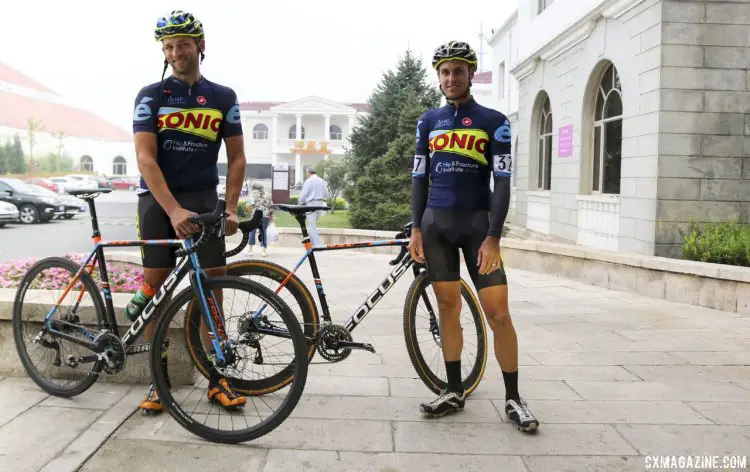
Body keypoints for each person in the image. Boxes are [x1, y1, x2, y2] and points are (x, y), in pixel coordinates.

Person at [408, 40, 539, 433]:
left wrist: (494, 237)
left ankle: (514, 398)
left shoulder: (494, 120)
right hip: (435, 227)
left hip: (478, 227)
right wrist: (416, 227)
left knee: (499, 313)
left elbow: (503, 182)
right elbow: (418, 178)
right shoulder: (427, 121)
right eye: (445, 72)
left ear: (470, 75)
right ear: (439, 77)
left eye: (458, 71)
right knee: (448, 310)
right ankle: (453, 390)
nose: (451, 78)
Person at [131, 9, 248, 414]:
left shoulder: (222, 97)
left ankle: (218, 378)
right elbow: (146, 159)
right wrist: (173, 209)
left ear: (200, 45)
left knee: (211, 290)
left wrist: (230, 209)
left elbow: (236, 159)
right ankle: (156, 381)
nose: (176, 52)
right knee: (157, 291)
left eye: (183, 44)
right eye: (168, 47)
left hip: (202, 199)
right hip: (158, 202)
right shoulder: (151, 96)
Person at [297, 168, 329, 246]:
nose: (306, 174)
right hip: (320, 204)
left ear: (309, 173)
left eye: (307, 173)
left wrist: (299, 201)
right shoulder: (322, 181)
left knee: (312, 226)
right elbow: (326, 194)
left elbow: (304, 194)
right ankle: (311, 244)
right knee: (313, 225)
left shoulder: (309, 181)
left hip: (311, 204)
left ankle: (318, 245)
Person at [244, 182, 273, 256]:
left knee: (252, 232)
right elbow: (271, 206)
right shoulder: (268, 194)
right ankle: (263, 251)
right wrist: (270, 216)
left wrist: (250, 211)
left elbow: (250, 205)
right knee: (263, 233)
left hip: (255, 216)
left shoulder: (253, 194)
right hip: (265, 216)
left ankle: (250, 250)